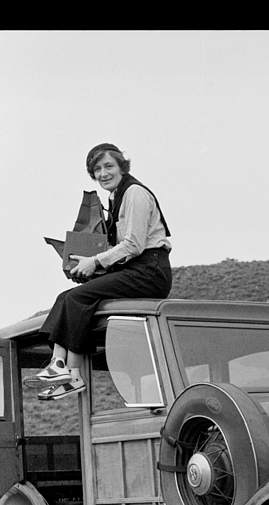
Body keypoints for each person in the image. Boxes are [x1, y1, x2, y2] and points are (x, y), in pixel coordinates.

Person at [33, 143, 173, 400]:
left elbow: (134, 244)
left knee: (78, 298)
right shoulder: (115, 197)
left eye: (109, 166)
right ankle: (59, 365)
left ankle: (72, 376)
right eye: (97, 169)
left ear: (122, 166)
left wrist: (95, 262)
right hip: (134, 267)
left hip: (150, 270)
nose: (103, 173)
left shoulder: (135, 193)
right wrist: (86, 265)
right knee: (66, 296)